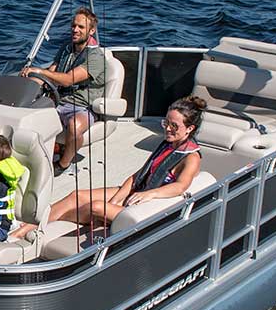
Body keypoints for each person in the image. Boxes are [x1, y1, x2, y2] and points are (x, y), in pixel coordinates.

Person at [42, 96, 205, 230]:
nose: (168, 129)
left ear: (189, 128)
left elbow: (180, 186)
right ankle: (33, 226)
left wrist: (149, 194)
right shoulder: (169, 144)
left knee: (96, 207)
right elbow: (138, 175)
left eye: (174, 126)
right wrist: (116, 200)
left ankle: (51, 225)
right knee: (77, 196)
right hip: (137, 192)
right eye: (166, 123)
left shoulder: (191, 158)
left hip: (146, 207)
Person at [18, 6, 107, 175]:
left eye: (81, 27)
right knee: (25, 113)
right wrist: (31, 79)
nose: (75, 30)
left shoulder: (96, 58)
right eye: (73, 25)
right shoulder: (66, 48)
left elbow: (67, 80)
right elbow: (52, 72)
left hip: (82, 107)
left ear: (91, 31)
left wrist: (40, 70)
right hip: (58, 100)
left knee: (75, 126)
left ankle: (63, 164)